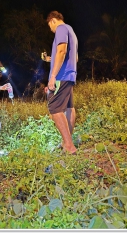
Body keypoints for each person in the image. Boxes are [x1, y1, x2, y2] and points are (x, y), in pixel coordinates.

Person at [45, 10, 78, 154]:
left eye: (49, 26)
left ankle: (69, 146)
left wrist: (53, 76)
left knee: (54, 108)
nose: (51, 30)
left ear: (52, 20)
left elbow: (62, 51)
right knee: (69, 108)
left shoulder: (61, 28)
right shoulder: (71, 31)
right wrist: (50, 60)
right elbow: (74, 58)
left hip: (61, 76)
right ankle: (67, 141)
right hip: (70, 75)